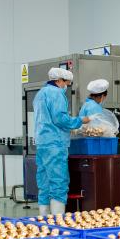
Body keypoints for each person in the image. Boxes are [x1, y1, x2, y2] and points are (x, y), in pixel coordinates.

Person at [34, 67, 89, 216]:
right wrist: (80, 120)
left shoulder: (40, 93)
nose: (66, 86)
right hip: (55, 144)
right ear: (59, 80)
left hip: (42, 143)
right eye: (66, 83)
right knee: (58, 182)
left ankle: (44, 219)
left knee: (44, 183)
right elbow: (60, 119)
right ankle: (57, 220)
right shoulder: (56, 94)